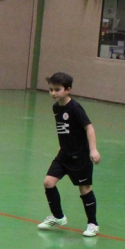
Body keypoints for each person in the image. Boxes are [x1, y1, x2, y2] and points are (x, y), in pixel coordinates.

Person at [37, 72, 101, 237]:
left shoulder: (75, 108)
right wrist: (63, 146)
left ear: (68, 90)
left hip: (80, 157)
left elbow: (89, 128)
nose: (53, 93)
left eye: (57, 89)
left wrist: (93, 150)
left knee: (84, 189)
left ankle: (93, 224)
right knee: (48, 182)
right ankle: (58, 217)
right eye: (51, 89)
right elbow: (65, 130)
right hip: (64, 155)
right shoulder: (56, 107)